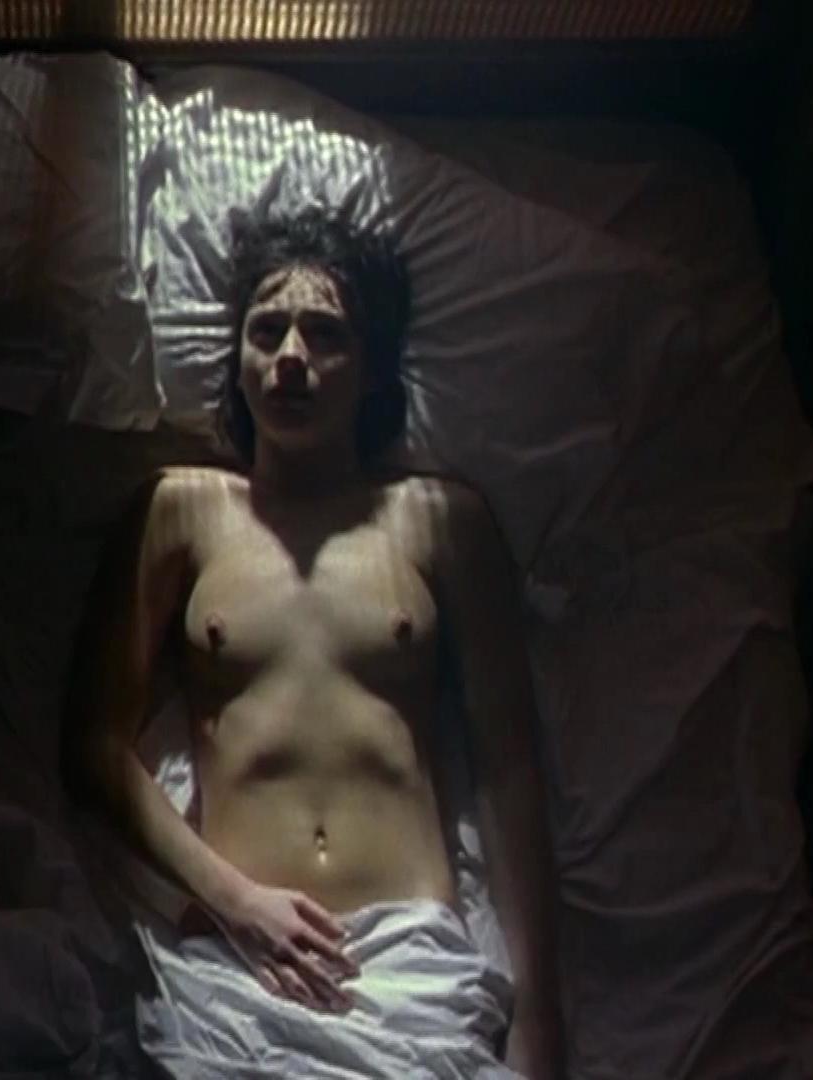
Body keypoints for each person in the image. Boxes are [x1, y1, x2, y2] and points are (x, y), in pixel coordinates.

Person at [66, 208, 565, 1077]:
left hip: (409, 971)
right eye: (267, 330)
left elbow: (510, 772)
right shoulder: (180, 510)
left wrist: (541, 1016)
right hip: (238, 972)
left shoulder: (441, 521)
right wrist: (236, 903)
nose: (291, 356)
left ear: (371, 371)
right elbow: (95, 745)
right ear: (238, 357)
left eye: (325, 334)